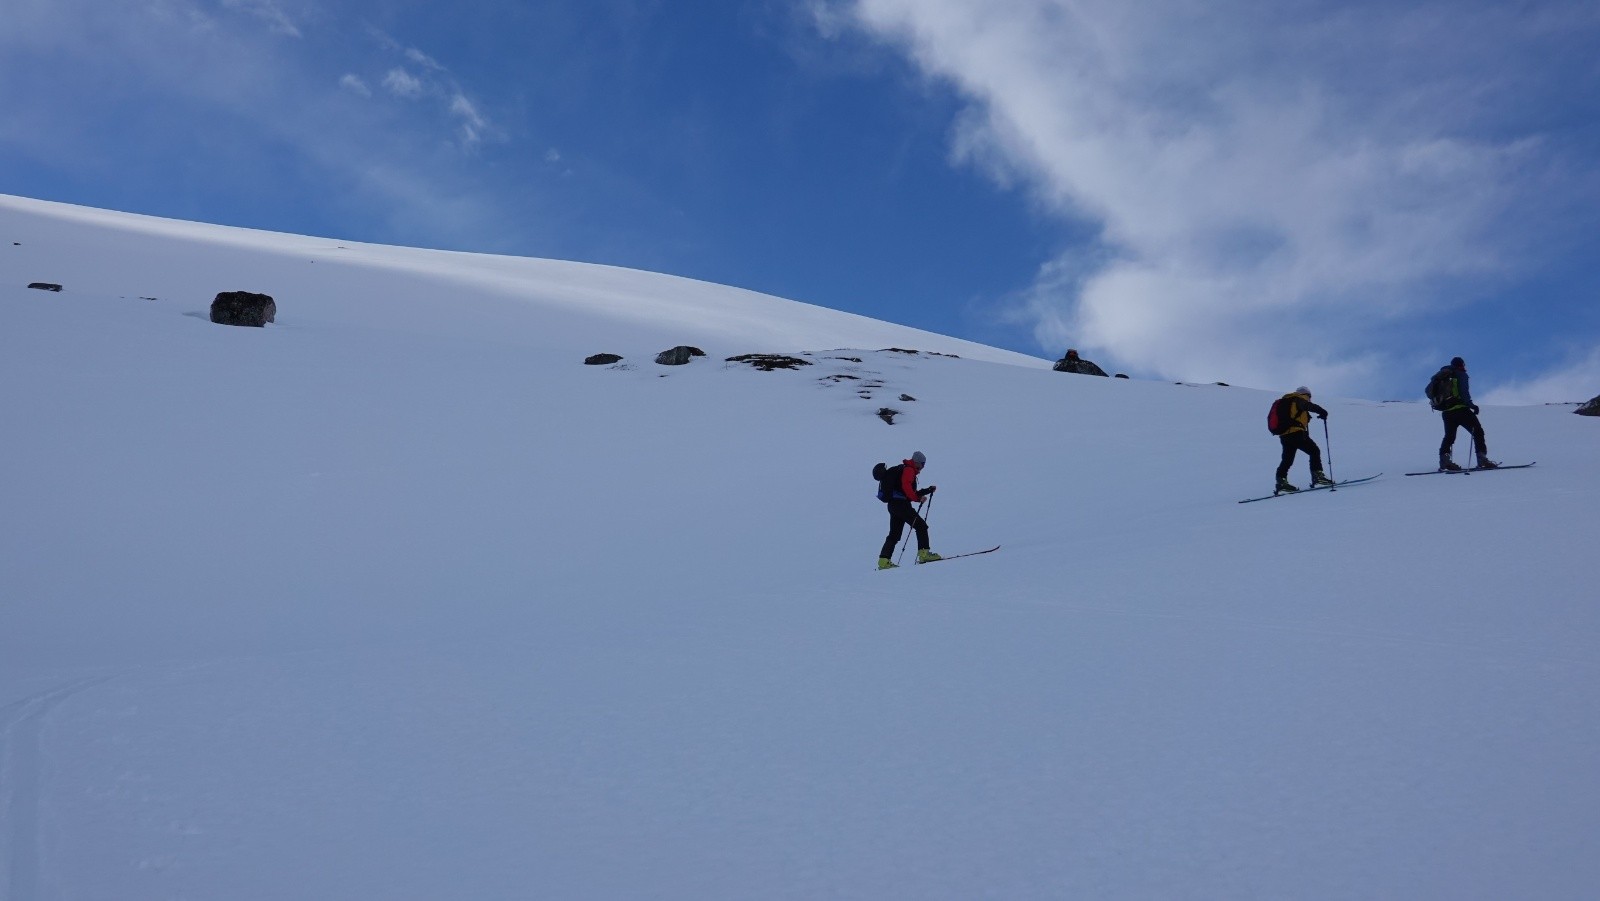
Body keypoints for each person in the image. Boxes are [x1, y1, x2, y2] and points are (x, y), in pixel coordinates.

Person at [1431, 357, 1498, 471]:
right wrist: (1471, 405)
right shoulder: (1460, 374)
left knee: (1449, 437)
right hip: (1461, 410)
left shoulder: (1441, 376)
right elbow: (1464, 392)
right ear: (1461, 365)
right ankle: (1482, 460)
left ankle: (1445, 462)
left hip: (1447, 412)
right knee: (1478, 431)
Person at [876, 451, 941, 569]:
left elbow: (906, 491)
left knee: (894, 534)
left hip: (893, 505)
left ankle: (883, 561)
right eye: (922, 464)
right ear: (917, 462)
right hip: (901, 505)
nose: (923, 467)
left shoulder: (905, 469)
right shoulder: (909, 470)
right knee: (921, 526)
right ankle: (924, 554)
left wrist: (927, 490)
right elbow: (907, 488)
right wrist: (917, 498)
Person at [1273, 387, 1335, 494]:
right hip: (1297, 434)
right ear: (1307, 394)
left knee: (1287, 460)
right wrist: (1322, 411)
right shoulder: (1299, 399)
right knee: (1314, 451)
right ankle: (1318, 476)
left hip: (1285, 436)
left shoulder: (1287, 401)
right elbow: (1308, 406)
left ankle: (1281, 482)